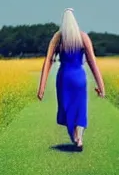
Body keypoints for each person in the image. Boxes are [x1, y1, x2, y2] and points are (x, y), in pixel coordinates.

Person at [37, 8, 105, 151]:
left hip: (64, 78)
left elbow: (48, 61)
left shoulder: (58, 38)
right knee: (80, 108)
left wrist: (41, 88)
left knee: (67, 109)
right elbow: (93, 63)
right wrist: (101, 87)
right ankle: (79, 137)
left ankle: (74, 137)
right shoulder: (83, 37)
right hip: (79, 78)